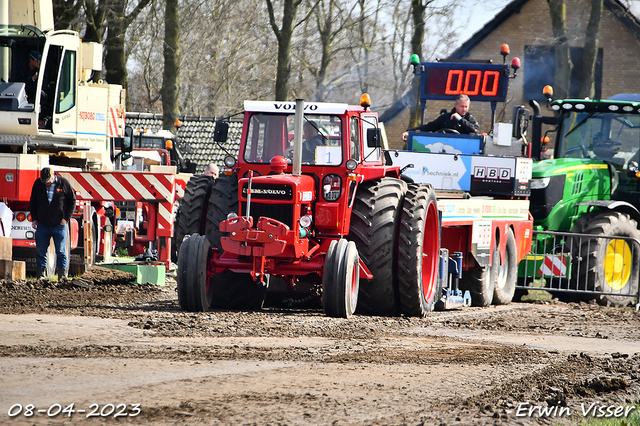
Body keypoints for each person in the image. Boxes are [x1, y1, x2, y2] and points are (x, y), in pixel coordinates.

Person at [29, 167, 76, 280]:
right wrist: (34, 218)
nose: (47, 184)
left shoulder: (63, 183)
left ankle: (62, 276)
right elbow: (33, 201)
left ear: (53, 176)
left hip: (59, 225)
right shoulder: (38, 184)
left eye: (48, 181)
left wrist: (66, 218)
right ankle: (41, 275)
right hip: (43, 224)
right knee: (41, 251)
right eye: (45, 181)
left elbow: (72, 200)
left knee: (61, 251)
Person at [402, 94, 480, 141]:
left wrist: (460, 119)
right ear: (455, 105)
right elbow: (429, 127)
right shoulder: (445, 118)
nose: (464, 109)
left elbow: (475, 130)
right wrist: (409, 132)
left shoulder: (470, 119)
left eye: (466, 107)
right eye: (462, 106)